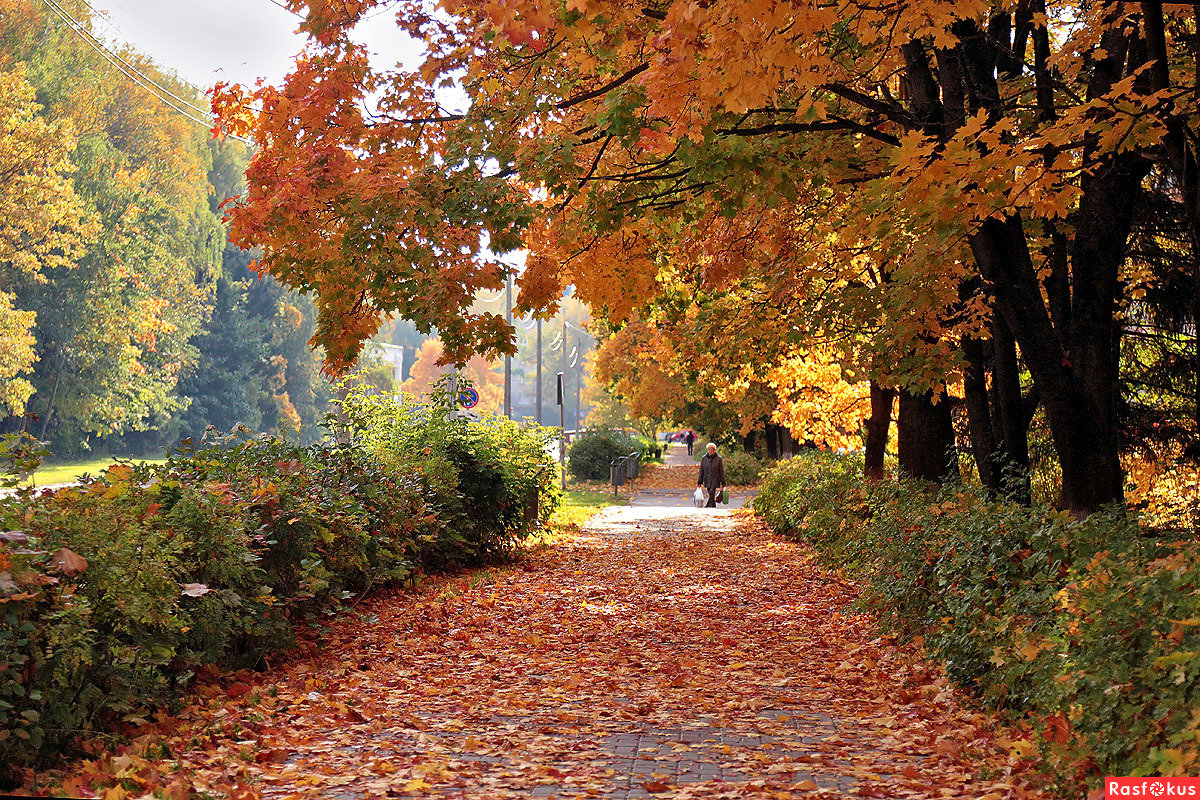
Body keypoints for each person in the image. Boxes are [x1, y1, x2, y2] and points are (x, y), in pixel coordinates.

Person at [697, 442, 726, 508]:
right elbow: (701, 470)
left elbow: (721, 471)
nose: (710, 451)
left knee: (712, 491)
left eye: (711, 449)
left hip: (715, 479)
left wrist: (723, 482)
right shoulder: (704, 458)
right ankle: (713, 506)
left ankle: (707, 506)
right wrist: (699, 482)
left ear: (714, 450)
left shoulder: (718, 459)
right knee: (710, 493)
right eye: (709, 449)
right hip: (707, 478)